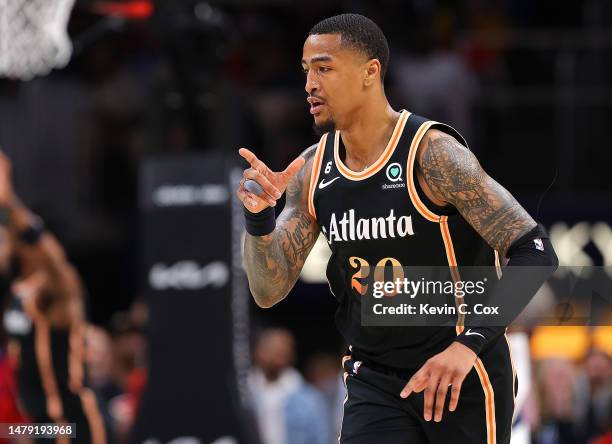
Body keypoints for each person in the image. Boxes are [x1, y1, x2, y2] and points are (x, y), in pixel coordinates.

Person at [236, 13, 558, 444]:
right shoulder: (313, 169)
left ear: (371, 72)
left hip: (459, 368)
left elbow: (535, 251)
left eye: (324, 68)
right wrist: (259, 220)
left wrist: (468, 346)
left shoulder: (433, 154)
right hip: (375, 379)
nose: (310, 84)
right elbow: (267, 289)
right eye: (306, 70)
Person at [0, 151, 107, 444]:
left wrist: (9, 201)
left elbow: (53, 259)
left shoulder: (58, 289)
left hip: (72, 425)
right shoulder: (14, 290)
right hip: (41, 426)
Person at [247, 328, 329, 444]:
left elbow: (321, 438)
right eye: (272, 349)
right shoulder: (245, 391)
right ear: (258, 351)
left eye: (283, 349)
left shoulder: (309, 399)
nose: (278, 354)